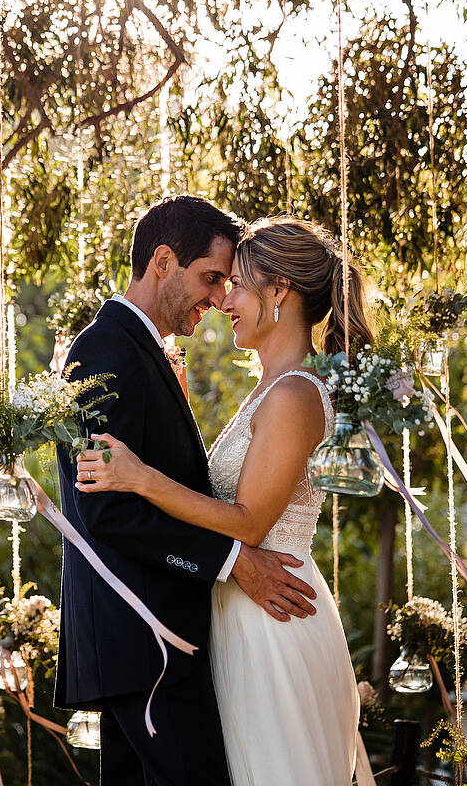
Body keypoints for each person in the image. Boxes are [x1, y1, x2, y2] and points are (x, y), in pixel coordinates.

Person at [76, 216, 371, 785]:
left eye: (234, 283)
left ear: (279, 290)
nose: (223, 300)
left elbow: (251, 521)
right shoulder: (269, 388)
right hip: (239, 610)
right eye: (220, 280)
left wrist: (140, 476)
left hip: (274, 616)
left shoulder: (294, 393)